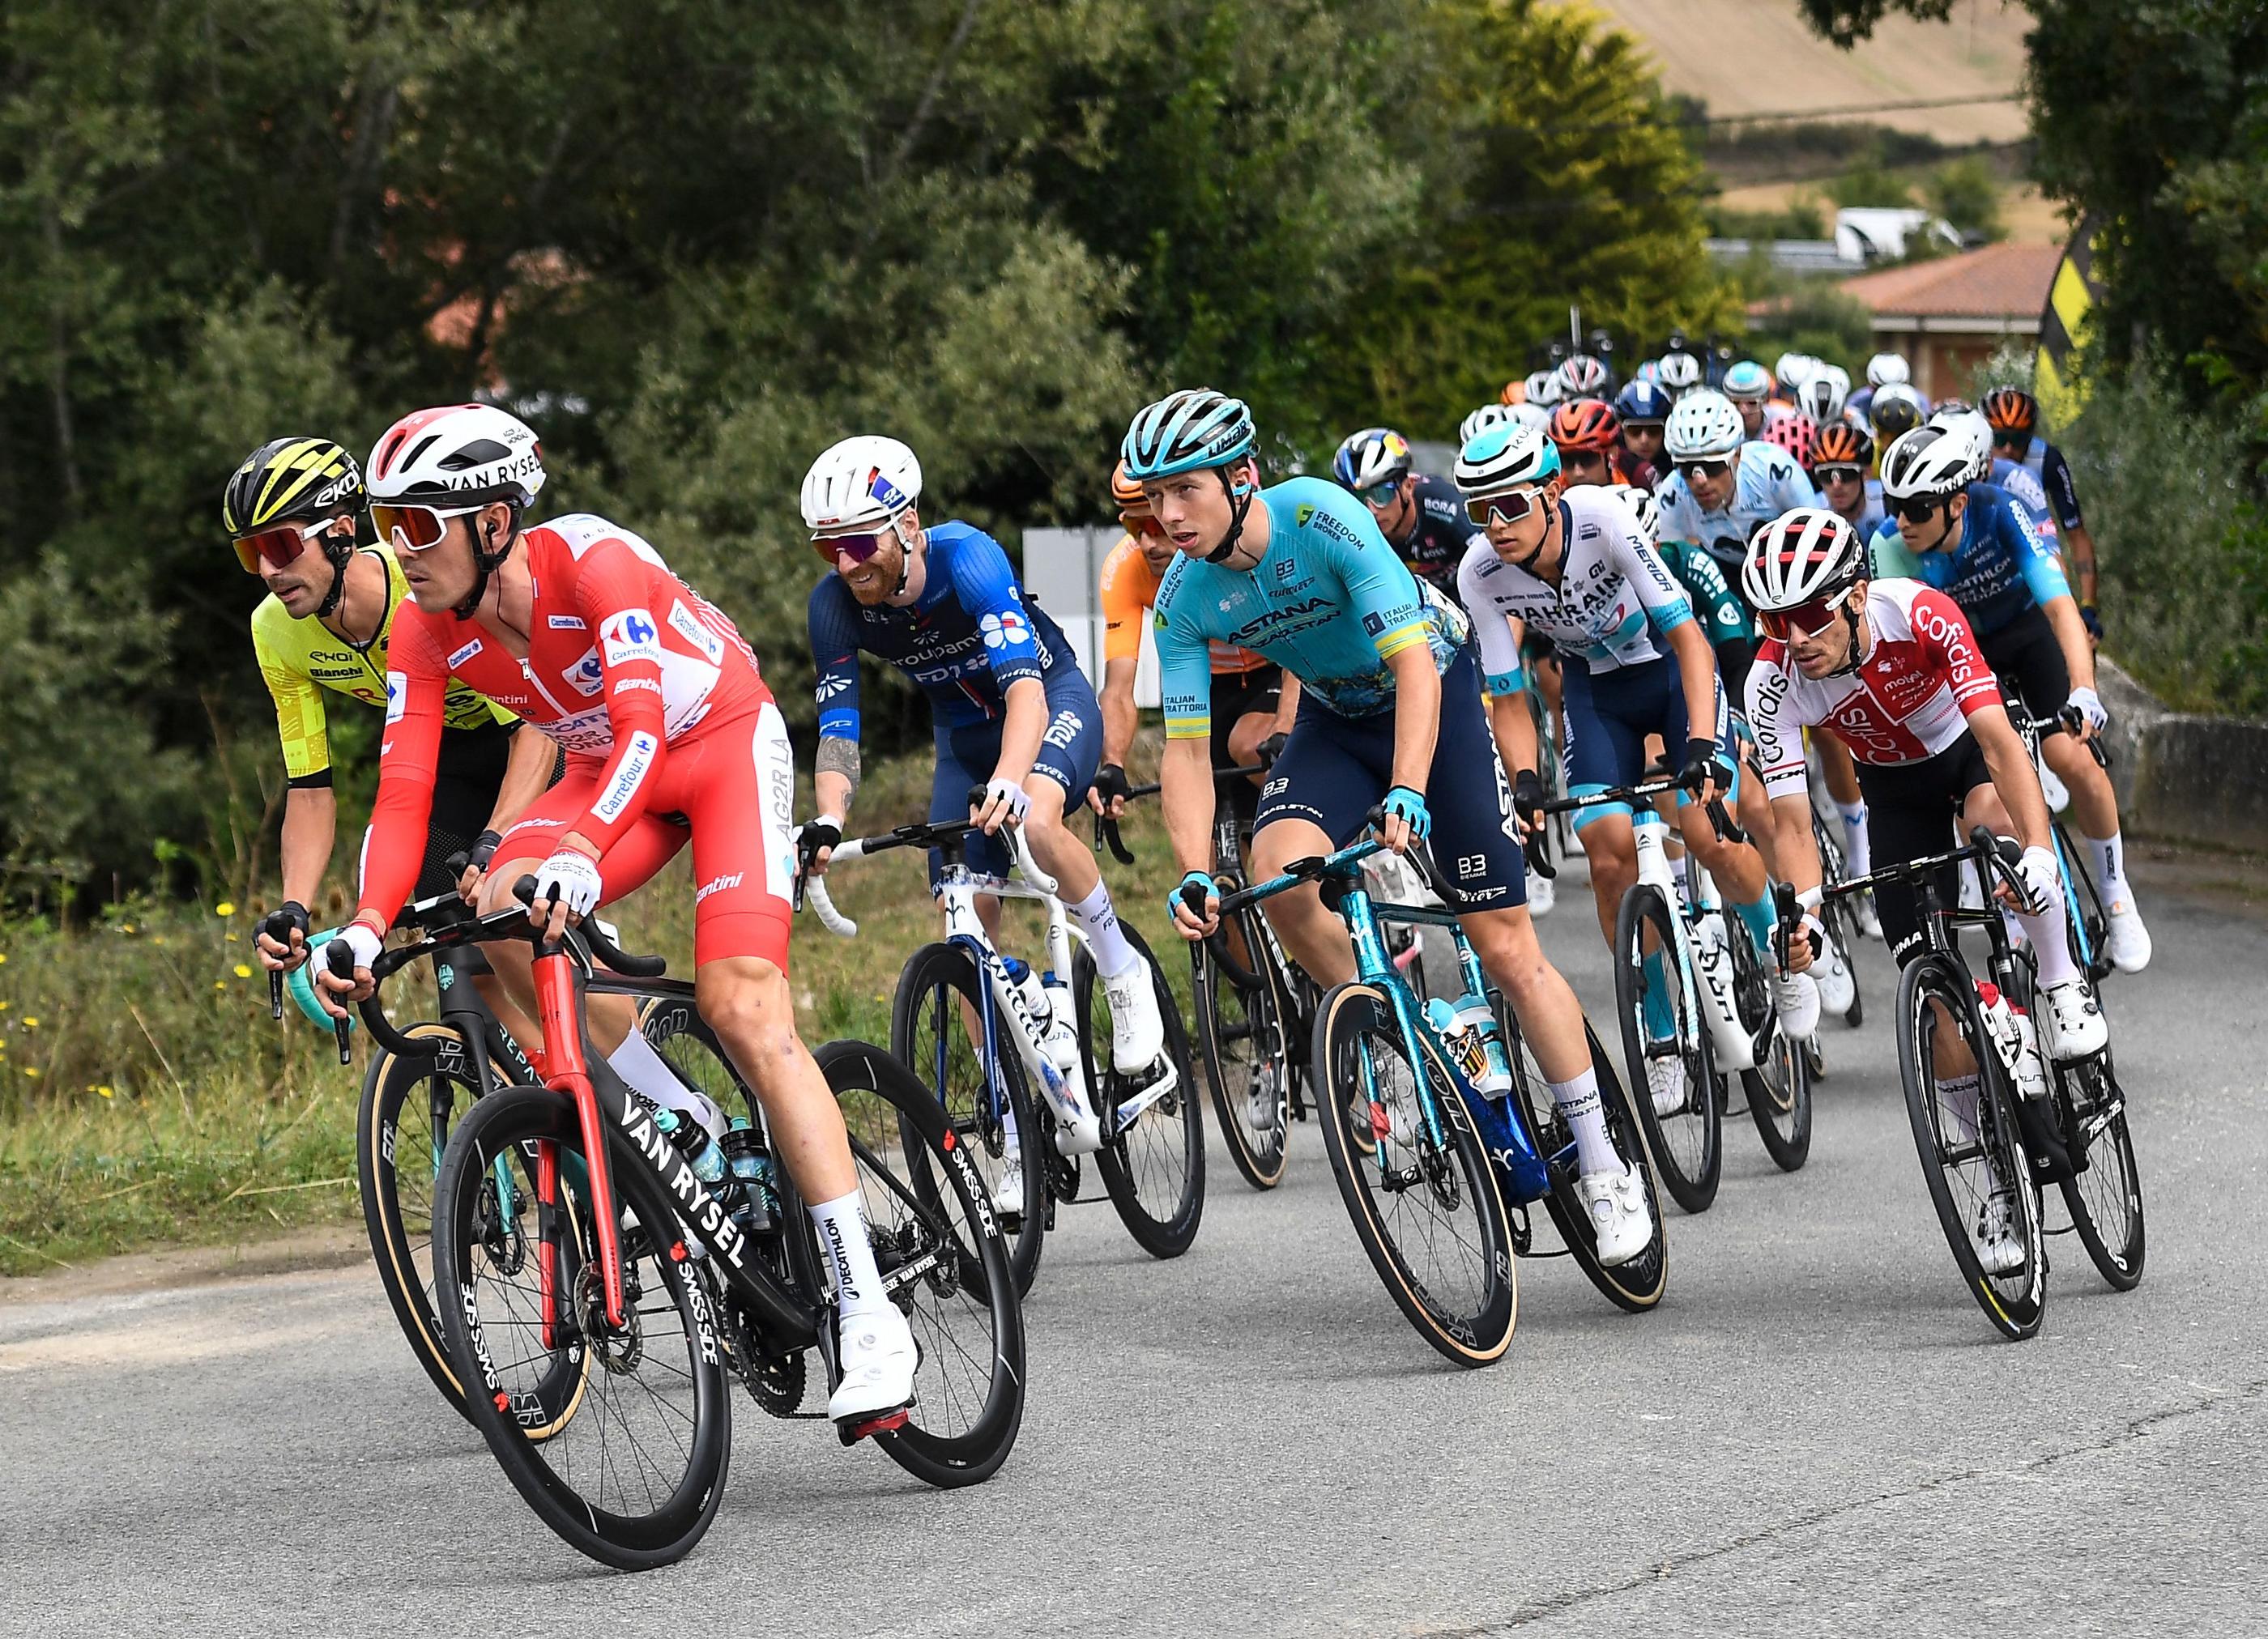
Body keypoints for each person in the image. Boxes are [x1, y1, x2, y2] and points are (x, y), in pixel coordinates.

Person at [315, 404, 921, 1425]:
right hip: (606, 770)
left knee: (742, 1005)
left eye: (420, 525)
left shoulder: (593, 562)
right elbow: (404, 790)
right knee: (497, 904)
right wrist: (367, 926)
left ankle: (867, 1310)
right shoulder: (424, 630)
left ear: (495, 521)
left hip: (718, 745)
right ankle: (674, 1115)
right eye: (387, 526)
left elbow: (645, 721)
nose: (399, 552)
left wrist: (585, 854)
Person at [1132, 388, 1655, 1266]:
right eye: (1154, 497)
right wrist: (1193, 869)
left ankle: (1604, 1164)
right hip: (1335, 720)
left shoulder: (1321, 516)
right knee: (1278, 877)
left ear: (1241, 475)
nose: (1167, 514)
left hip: (1432, 691)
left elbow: (1413, 658)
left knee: (1503, 945)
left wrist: (1407, 790)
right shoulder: (1182, 595)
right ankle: (1403, 1036)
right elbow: (1183, 751)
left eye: (1184, 488)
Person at [1742, 508, 2109, 1272]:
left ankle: (2059, 976)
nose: (1795, 638)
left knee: (1998, 832)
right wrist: (1804, 912)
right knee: (1931, 989)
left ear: (1852, 595)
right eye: (1777, 623)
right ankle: (1999, 1184)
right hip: (1895, 794)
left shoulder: (1919, 613)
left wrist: (2038, 853)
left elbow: (2000, 742)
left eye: (1809, 615)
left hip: (1966, 757)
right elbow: (1792, 828)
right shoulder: (1771, 684)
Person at [1452, 424, 1819, 1123]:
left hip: (1670, 672)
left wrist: (1707, 742)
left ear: (1551, 492)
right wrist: (1525, 780)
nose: (1495, 526)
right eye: (1480, 510)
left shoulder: (1604, 519)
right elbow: (1505, 694)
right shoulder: (1480, 573)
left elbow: (1689, 638)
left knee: (1709, 829)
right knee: (1605, 847)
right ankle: (1657, 1025)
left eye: (1510, 506)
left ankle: (1777, 943)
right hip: (1597, 693)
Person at [801, 436, 1166, 1096]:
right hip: (963, 739)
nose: (846, 564)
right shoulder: (833, 606)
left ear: (907, 525)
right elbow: (838, 729)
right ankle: (1012, 1116)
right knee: (963, 915)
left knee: (1039, 821)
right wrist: (829, 817)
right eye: (830, 548)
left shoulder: (968, 560)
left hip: (1048, 700)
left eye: (858, 543)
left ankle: (1121, 969)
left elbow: (1024, 691)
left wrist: (1010, 780)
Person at [230, 437, 554, 980]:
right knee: (460, 954)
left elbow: (533, 728)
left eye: (280, 545)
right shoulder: (273, 630)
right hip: (445, 758)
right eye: (250, 552)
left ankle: (607, 1041)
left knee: (518, 917)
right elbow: (309, 787)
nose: (266, 570)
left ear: (340, 531)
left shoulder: (425, 582)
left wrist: (496, 836)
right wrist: (294, 908)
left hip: (530, 739)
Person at [1869, 423, 2151, 969]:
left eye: (1919, 507)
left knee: (2070, 752)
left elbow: (2059, 606)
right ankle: (2017, 894)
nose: (1903, 520)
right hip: (1966, 654)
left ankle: (2117, 897)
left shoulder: (1998, 511)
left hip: (2026, 635)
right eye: (1895, 504)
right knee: (1982, 786)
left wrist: (2085, 690)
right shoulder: (1889, 546)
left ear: (1956, 504)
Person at [1094, 458, 1294, 828]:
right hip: (1210, 681)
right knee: (1199, 812)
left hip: (1275, 668)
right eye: (1135, 527)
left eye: (1156, 526)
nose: (1148, 543)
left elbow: (1303, 643)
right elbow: (1118, 689)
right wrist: (1112, 764)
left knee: (1250, 744)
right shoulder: (1125, 570)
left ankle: (1330, 837)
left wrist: (1284, 727)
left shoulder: (1246, 541)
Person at [1653, 390, 1821, 585]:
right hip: (1725, 572)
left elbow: (1816, 537)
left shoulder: (1774, 469)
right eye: (1687, 468)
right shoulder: (1672, 494)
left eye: (1713, 466)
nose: (1700, 480)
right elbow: (1667, 574)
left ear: (1737, 455)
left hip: (1787, 562)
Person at [1982, 387, 2100, 640]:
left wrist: (2088, 604)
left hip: (2032, 544)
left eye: (2019, 440)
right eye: (2000, 439)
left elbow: (2076, 534)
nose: (2009, 449)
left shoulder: (2047, 459)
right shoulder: (1973, 457)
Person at [1332, 426, 1479, 593]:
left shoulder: (1445, 505)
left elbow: (1493, 564)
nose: (1371, 509)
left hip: (1468, 591)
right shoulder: (1349, 526)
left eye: (1382, 495)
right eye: (1358, 499)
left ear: (1408, 486)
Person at [1546, 398, 1643, 490]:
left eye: (1588, 459)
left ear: (1612, 453)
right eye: (1567, 460)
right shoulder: (1550, 488)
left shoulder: (1637, 477)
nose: (1578, 473)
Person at [1613, 379, 1673, 490]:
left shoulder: (1678, 469)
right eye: (1634, 431)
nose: (1644, 440)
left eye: (1654, 430)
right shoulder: (1610, 471)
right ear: (1621, 430)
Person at [1721, 360, 1772, 439]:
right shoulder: (1718, 430)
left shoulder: (1783, 421)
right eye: (1735, 402)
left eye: (1752, 403)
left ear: (1766, 400)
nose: (1743, 410)